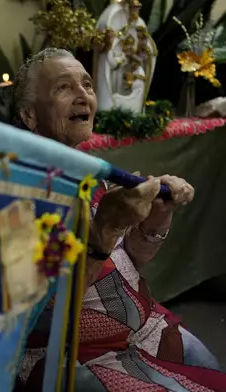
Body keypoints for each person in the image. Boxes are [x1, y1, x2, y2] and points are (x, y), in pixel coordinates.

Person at [12, 48, 226, 391]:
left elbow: (132, 261)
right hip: (73, 356)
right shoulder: (24, 191)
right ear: (29, 114)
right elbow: (39, 310)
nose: (83, 95)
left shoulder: (87, 172)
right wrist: (105, 230)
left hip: (144, 331)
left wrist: (157, 217)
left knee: (214, 377)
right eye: (63, 88)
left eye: (86, 84)